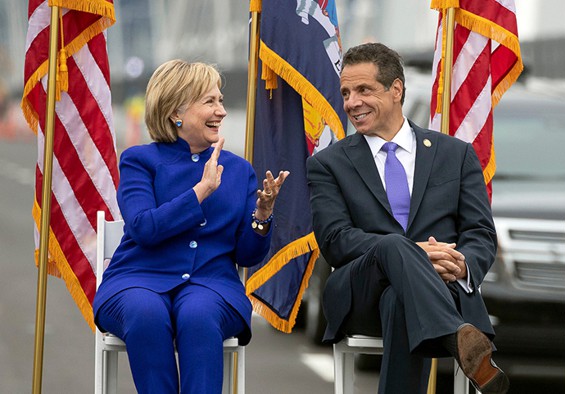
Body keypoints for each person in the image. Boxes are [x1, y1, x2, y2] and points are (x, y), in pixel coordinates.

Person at [307, 43, 509, 394]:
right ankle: (458, 335)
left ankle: (453, 334)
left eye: (363, 89)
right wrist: (413, 254)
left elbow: (479, 233)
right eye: (346, 93)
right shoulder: (328, 163)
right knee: (393, 247)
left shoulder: (455, 154)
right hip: (361, 293)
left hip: (437, 290)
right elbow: (335, 241)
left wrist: (461, 266)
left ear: (396, 89)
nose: (352, 102)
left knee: (401, 301)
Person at [92, 59, 288, 393]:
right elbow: (142, 228)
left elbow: (247, 253)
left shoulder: (239, 170)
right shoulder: (139, 160)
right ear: (175, 112)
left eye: (221, 101)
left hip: (211, 286)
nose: (222, 111)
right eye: (210, 101)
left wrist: (262, 216)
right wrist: (201, 191)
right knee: (145, 313)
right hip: (137, 279)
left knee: (197, 315)